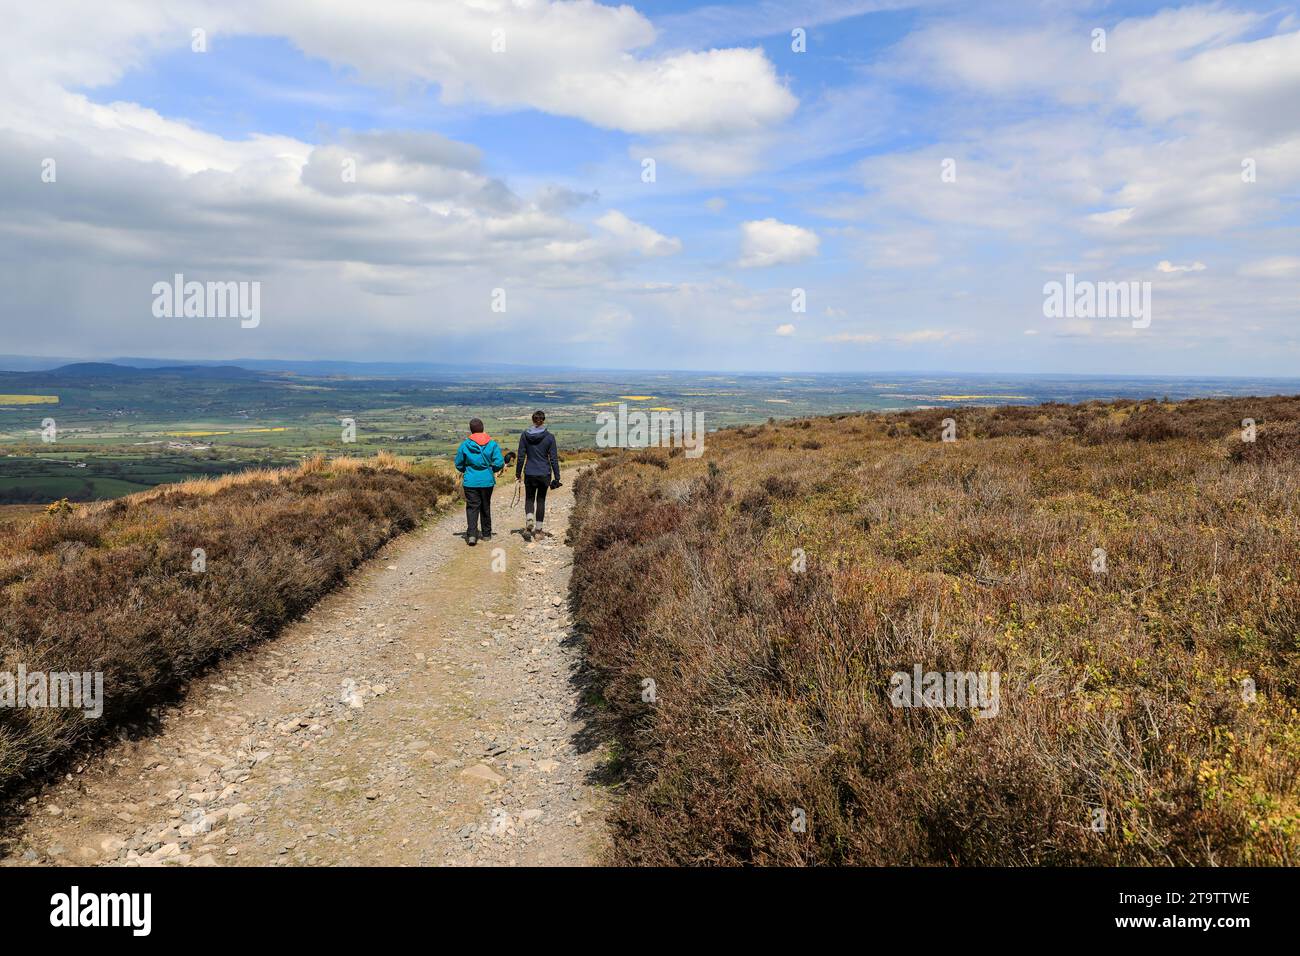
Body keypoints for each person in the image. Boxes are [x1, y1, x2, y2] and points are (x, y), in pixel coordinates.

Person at [454, 418, 504, 546]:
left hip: (470, 481)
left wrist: (467, 469)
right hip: (487, 481)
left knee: (472, 507)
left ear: (471, 430)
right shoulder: (492, 444)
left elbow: (458, 464)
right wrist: (492, 469)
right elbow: (499, 463)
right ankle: (486, 534)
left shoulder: (465, 445)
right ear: (483, 428)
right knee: (485, 505)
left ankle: (472, 535)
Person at [516, 409, 561, 541]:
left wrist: (518, 473)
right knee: (541, 500)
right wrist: (557, 477)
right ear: (543, 420)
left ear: (533, 420)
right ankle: (538, 531)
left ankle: (529, 517)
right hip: (544, 473)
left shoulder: (525, 435)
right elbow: (553, 459)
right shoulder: (550, 437)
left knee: (529, 499)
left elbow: (520, 456)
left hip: (529, 472)